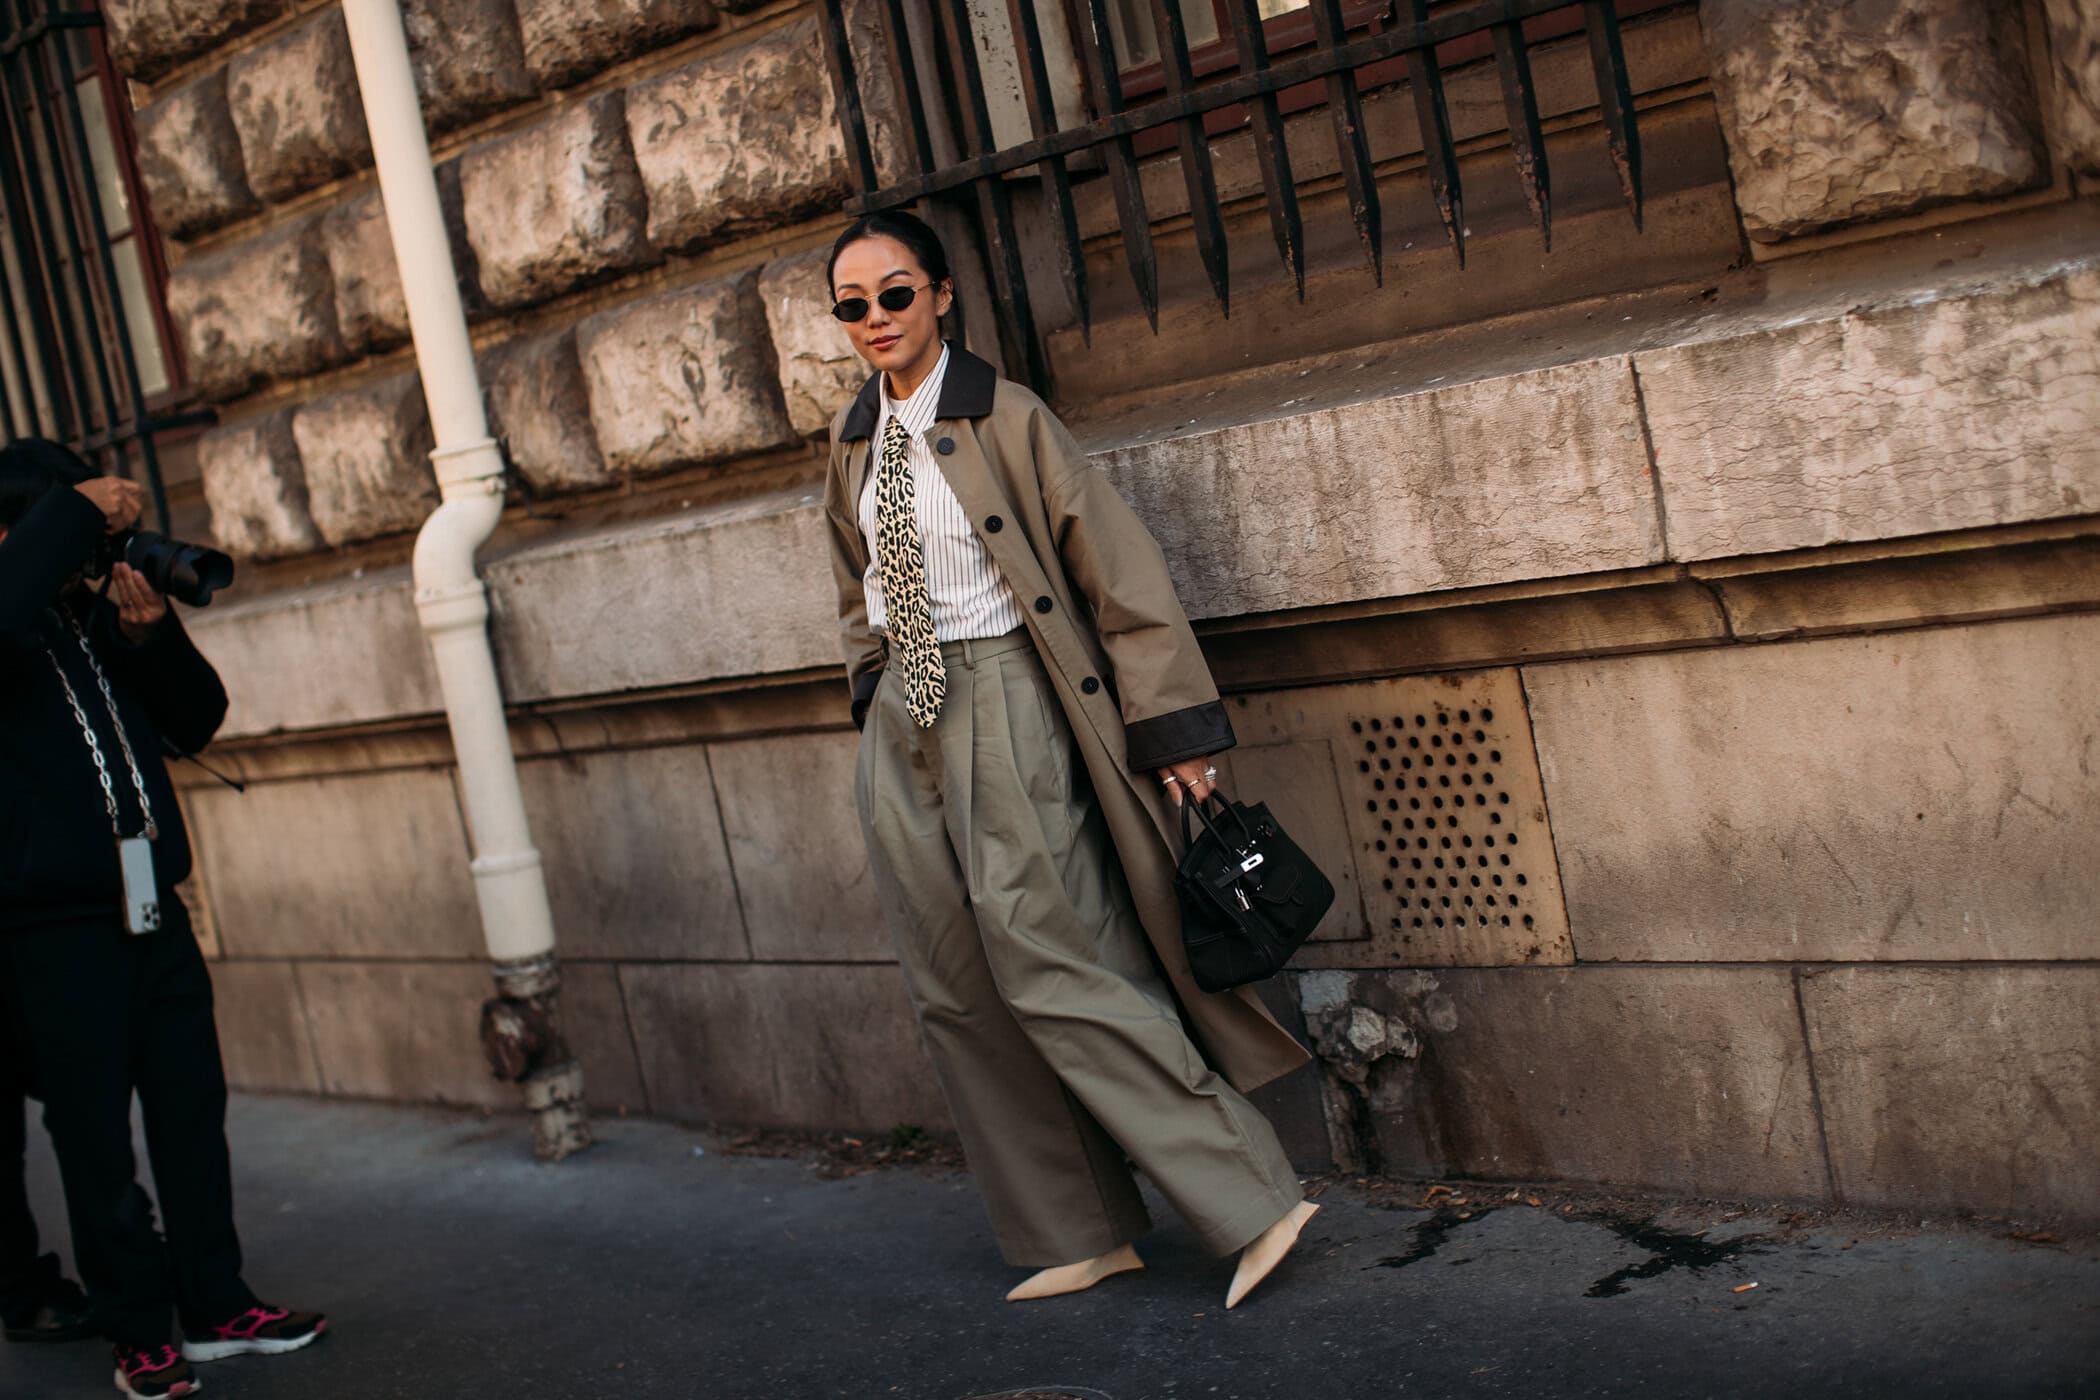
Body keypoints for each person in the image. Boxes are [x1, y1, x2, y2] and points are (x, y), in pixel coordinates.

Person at [822, 211, 1320, 1308]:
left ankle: (1255, 1195)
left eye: (895, 294)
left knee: (1053, 958)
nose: (874, 320)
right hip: (902, 708)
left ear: (943, 295)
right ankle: (1078, 1222)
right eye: (852, 305)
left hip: (1001, 686)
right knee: (951, 981)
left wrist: (1179, 730)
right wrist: (873, 691)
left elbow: (1120, 573)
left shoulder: (1006, 417)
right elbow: (852, 570)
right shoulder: (855, 436)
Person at [0, 439, 326, 1398]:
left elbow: (199, 720)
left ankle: (216, 1304)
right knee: (95, 1137)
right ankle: (137, 1327)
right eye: (64, 521)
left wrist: (151, 639)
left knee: (190, 1110)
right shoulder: (8, 624)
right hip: (51, 934)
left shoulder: (85, 621)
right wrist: (71, 515)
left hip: (155, 910)